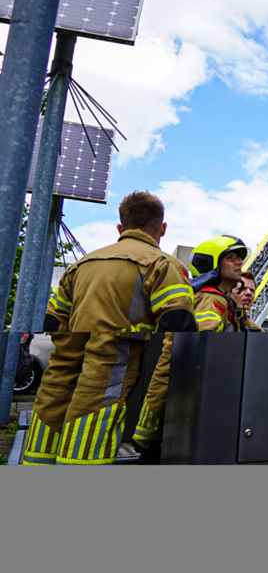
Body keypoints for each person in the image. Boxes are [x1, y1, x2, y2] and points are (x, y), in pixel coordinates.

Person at [23, 191, 197, 465]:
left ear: (120, 227)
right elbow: (178, 321)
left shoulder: (82, 264)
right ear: (162, 228)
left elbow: (53, 320)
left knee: (53, 396)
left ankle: (37, 462)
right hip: (115, 351)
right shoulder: (163, 264)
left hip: (68, 348)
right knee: (95, 407)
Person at [132, 235, 249, 463]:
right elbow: (205, 346)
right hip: (182, 397)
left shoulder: (218, 300)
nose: (239, 263)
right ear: (212, 263)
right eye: (231, 257)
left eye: (239, 259)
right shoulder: (210, 300)